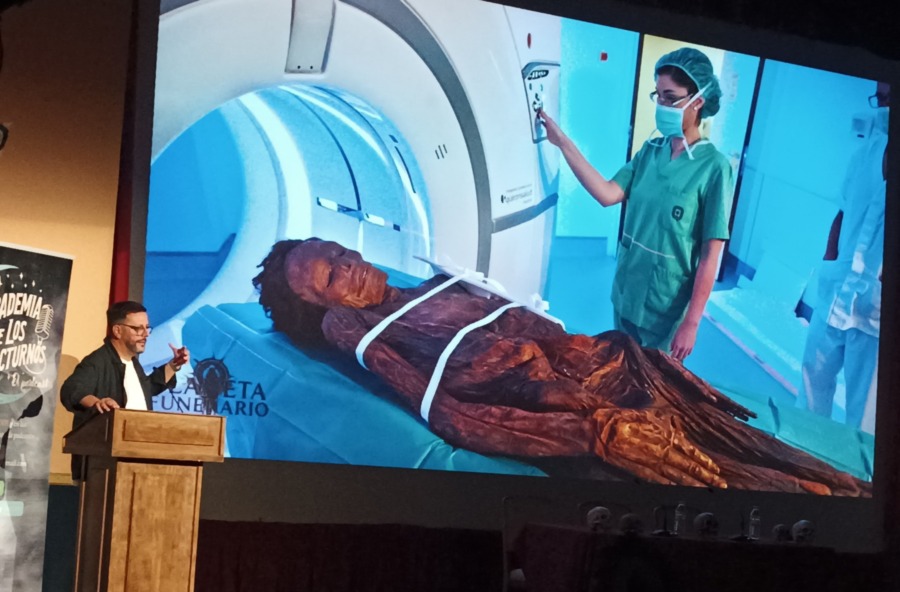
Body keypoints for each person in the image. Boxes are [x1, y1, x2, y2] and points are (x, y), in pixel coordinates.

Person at [253, 237, 868, 497]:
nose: (348, 263)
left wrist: (641, 363)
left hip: (616, 364)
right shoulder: (360, 331)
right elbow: (448, 415)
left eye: (340, 251)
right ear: (324, 309)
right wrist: (588, 432)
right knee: (769, 487)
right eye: (330, 276)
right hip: (584, 409)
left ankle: (858, 496)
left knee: (778, 456)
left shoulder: (436, 285)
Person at [539, 47, 733, 361]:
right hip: (628, 291)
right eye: (658, 96)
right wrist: (563, 142)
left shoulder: (714, 168)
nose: (662, 105)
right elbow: (606, 194)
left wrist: (692, 322)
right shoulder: (650, 151)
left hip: (667, 307)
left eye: (671, 98)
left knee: (653, 383)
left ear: (698, 101)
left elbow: (711, 254)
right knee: (621, 371)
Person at [799, 83, 889, 433]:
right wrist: (829, 258)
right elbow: (842, 211)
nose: (883, 107)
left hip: (877, 311)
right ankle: (801, 452)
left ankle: (852, 467)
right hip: (837, 289)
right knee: (812, 385)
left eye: (890, 98)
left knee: (864, 416)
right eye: (880, 99)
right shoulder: (864, 155)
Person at [60, 300, 190, 477]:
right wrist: (97, 402)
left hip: (137, 460)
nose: (146, 334)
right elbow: (71, 389)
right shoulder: (97, 362)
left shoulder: (132, 363)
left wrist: (174, 365)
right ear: (117, 330)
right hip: (102, 468)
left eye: (147, 328)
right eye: (138, 329)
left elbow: (146, 390)